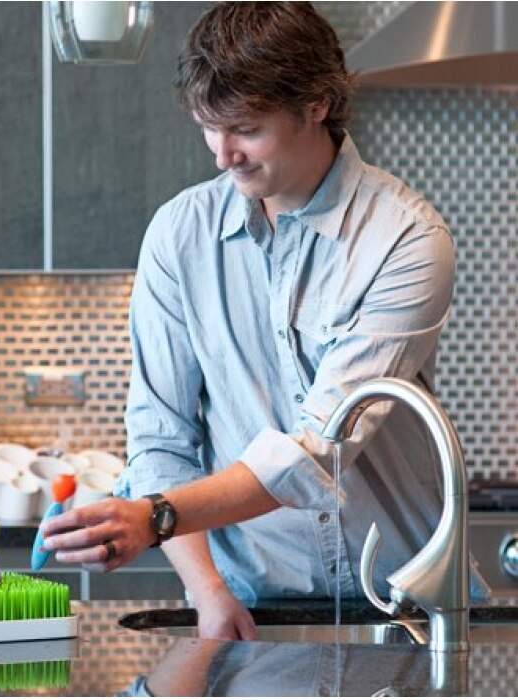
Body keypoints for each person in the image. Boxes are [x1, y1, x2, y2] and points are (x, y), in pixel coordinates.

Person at [41, 1, 488, 640]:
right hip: (253, 613)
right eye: (208, 128)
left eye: (245, 129)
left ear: (317, 103)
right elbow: (160, 440)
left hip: (409, 613)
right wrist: (207, 590)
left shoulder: (406, 238)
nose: (223, 156)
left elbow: (321, 446)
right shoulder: (178, 236)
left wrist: (157, 517)